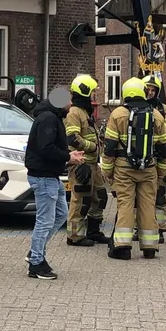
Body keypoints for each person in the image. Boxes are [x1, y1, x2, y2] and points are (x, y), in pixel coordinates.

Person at [101, 77, 166, 260]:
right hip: (149, 169)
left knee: (126, 205)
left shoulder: (117, 115)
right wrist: (162, 172)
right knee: (147, 205)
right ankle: (150, 247)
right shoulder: (156, 115)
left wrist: (107, 171)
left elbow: (110, 146)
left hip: (124, 169)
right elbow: (163, 148)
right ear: (143, 91)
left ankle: (123, 247)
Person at [25, 88, 84, 279]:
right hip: (43, 177)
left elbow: (49, 147)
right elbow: (46, 148)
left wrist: (68, 156)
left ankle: (36, 251)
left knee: (60, 214)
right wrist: (68, 156)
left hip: (50, 176)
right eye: (69, 101)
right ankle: (36, 263)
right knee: (45, 220)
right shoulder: (49, 119)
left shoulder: (50, 117)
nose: (71, 105)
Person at [64, 74, 108, 246]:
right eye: (91, 93)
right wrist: (92, 146)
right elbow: (73, 138)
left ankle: (93, 231)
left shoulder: (85, 112)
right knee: (81, 200)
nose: (93, 96)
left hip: (92, 164)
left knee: (100, 196)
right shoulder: (74, 113)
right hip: (80, 164)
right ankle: (75, 236)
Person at [144, 73, 166, 241]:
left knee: (160, 195)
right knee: (141, 195)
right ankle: (139, 227)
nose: (150, 92)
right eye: (148, 89)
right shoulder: (136, 108)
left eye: (153, 89)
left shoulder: (164, 109)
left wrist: (157, 126)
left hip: (161, 157)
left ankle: (159, 227)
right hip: (143, 158)